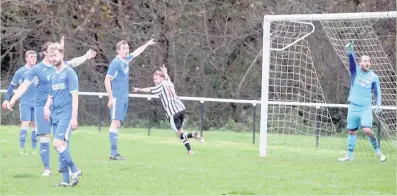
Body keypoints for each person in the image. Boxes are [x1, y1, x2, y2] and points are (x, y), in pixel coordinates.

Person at [6, 37, 96, 176]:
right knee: (44, 137)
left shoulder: (59, 66)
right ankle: (47, 169)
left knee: (61, 141)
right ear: (45, 53)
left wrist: (85, 56)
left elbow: (73, 62)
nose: (52, 55)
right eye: (50, 52)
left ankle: (65, 170)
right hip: (42, 107)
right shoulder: (37, 69)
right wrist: (12, 100)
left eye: (55, 52)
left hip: (59, 108)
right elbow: (24, 86)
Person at [133, 65, 204, 155]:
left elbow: (150, 89)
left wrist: (139, 89)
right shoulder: (169, 83)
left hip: (173, 112)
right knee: (180, 131)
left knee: (179, 134)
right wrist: (166, 73)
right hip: (181, 109)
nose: (154, 81)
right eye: (154, 79)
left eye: (156, 79)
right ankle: (190, 151)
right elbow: (167, 78)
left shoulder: (161, 86)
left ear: (161, 79)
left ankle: (193, 134)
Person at [104, 39, 155, 160]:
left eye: (127, 48)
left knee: (118, 124)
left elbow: (137, 52)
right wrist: (110, 98)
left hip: (124, 97)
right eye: (124, 48)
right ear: (118, 50)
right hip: (117, 97)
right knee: (115, 122)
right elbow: (106, 80)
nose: (127, 50)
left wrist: (147, 44)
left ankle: (114, 153)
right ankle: (113, 153)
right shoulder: (115, 63)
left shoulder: (126, 60)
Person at [338, 42, 386, 162]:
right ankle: (349, 156)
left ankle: (379, 153)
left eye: (368, 61)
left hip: (366, 108)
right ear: (360, 63)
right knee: (352, 131)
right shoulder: (355, 72)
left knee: (367, 130)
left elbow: (377, 93)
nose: (367, 63)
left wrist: (378, 104)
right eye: (364, 61)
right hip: (353, 107)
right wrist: (350, 52)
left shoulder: (374, 77)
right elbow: (351, 61)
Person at [44, 43, 82, 187]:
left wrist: (73, 117)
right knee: (62, 146)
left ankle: (75, 170)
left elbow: (75, 96)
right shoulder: (52, 75)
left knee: (57, 144)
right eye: (51, 56)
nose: (53, 58)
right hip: (55, 114)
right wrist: (46, 107)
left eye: (55, 55)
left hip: (66, 113)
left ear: (62, 55)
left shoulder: (69, 73)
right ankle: (65, 181)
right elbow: (50, 96)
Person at [2, 50, 38, 155]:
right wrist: (6, 99)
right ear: (26, 58)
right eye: (31, 57)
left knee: (35, 125)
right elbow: (11, 86)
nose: (33, 59)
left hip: (37, 103)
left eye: (35, 57)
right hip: (25, 103)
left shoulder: (39, 70)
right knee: (25, 124)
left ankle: (34, 150)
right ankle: (22, 149)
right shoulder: (20, 72)